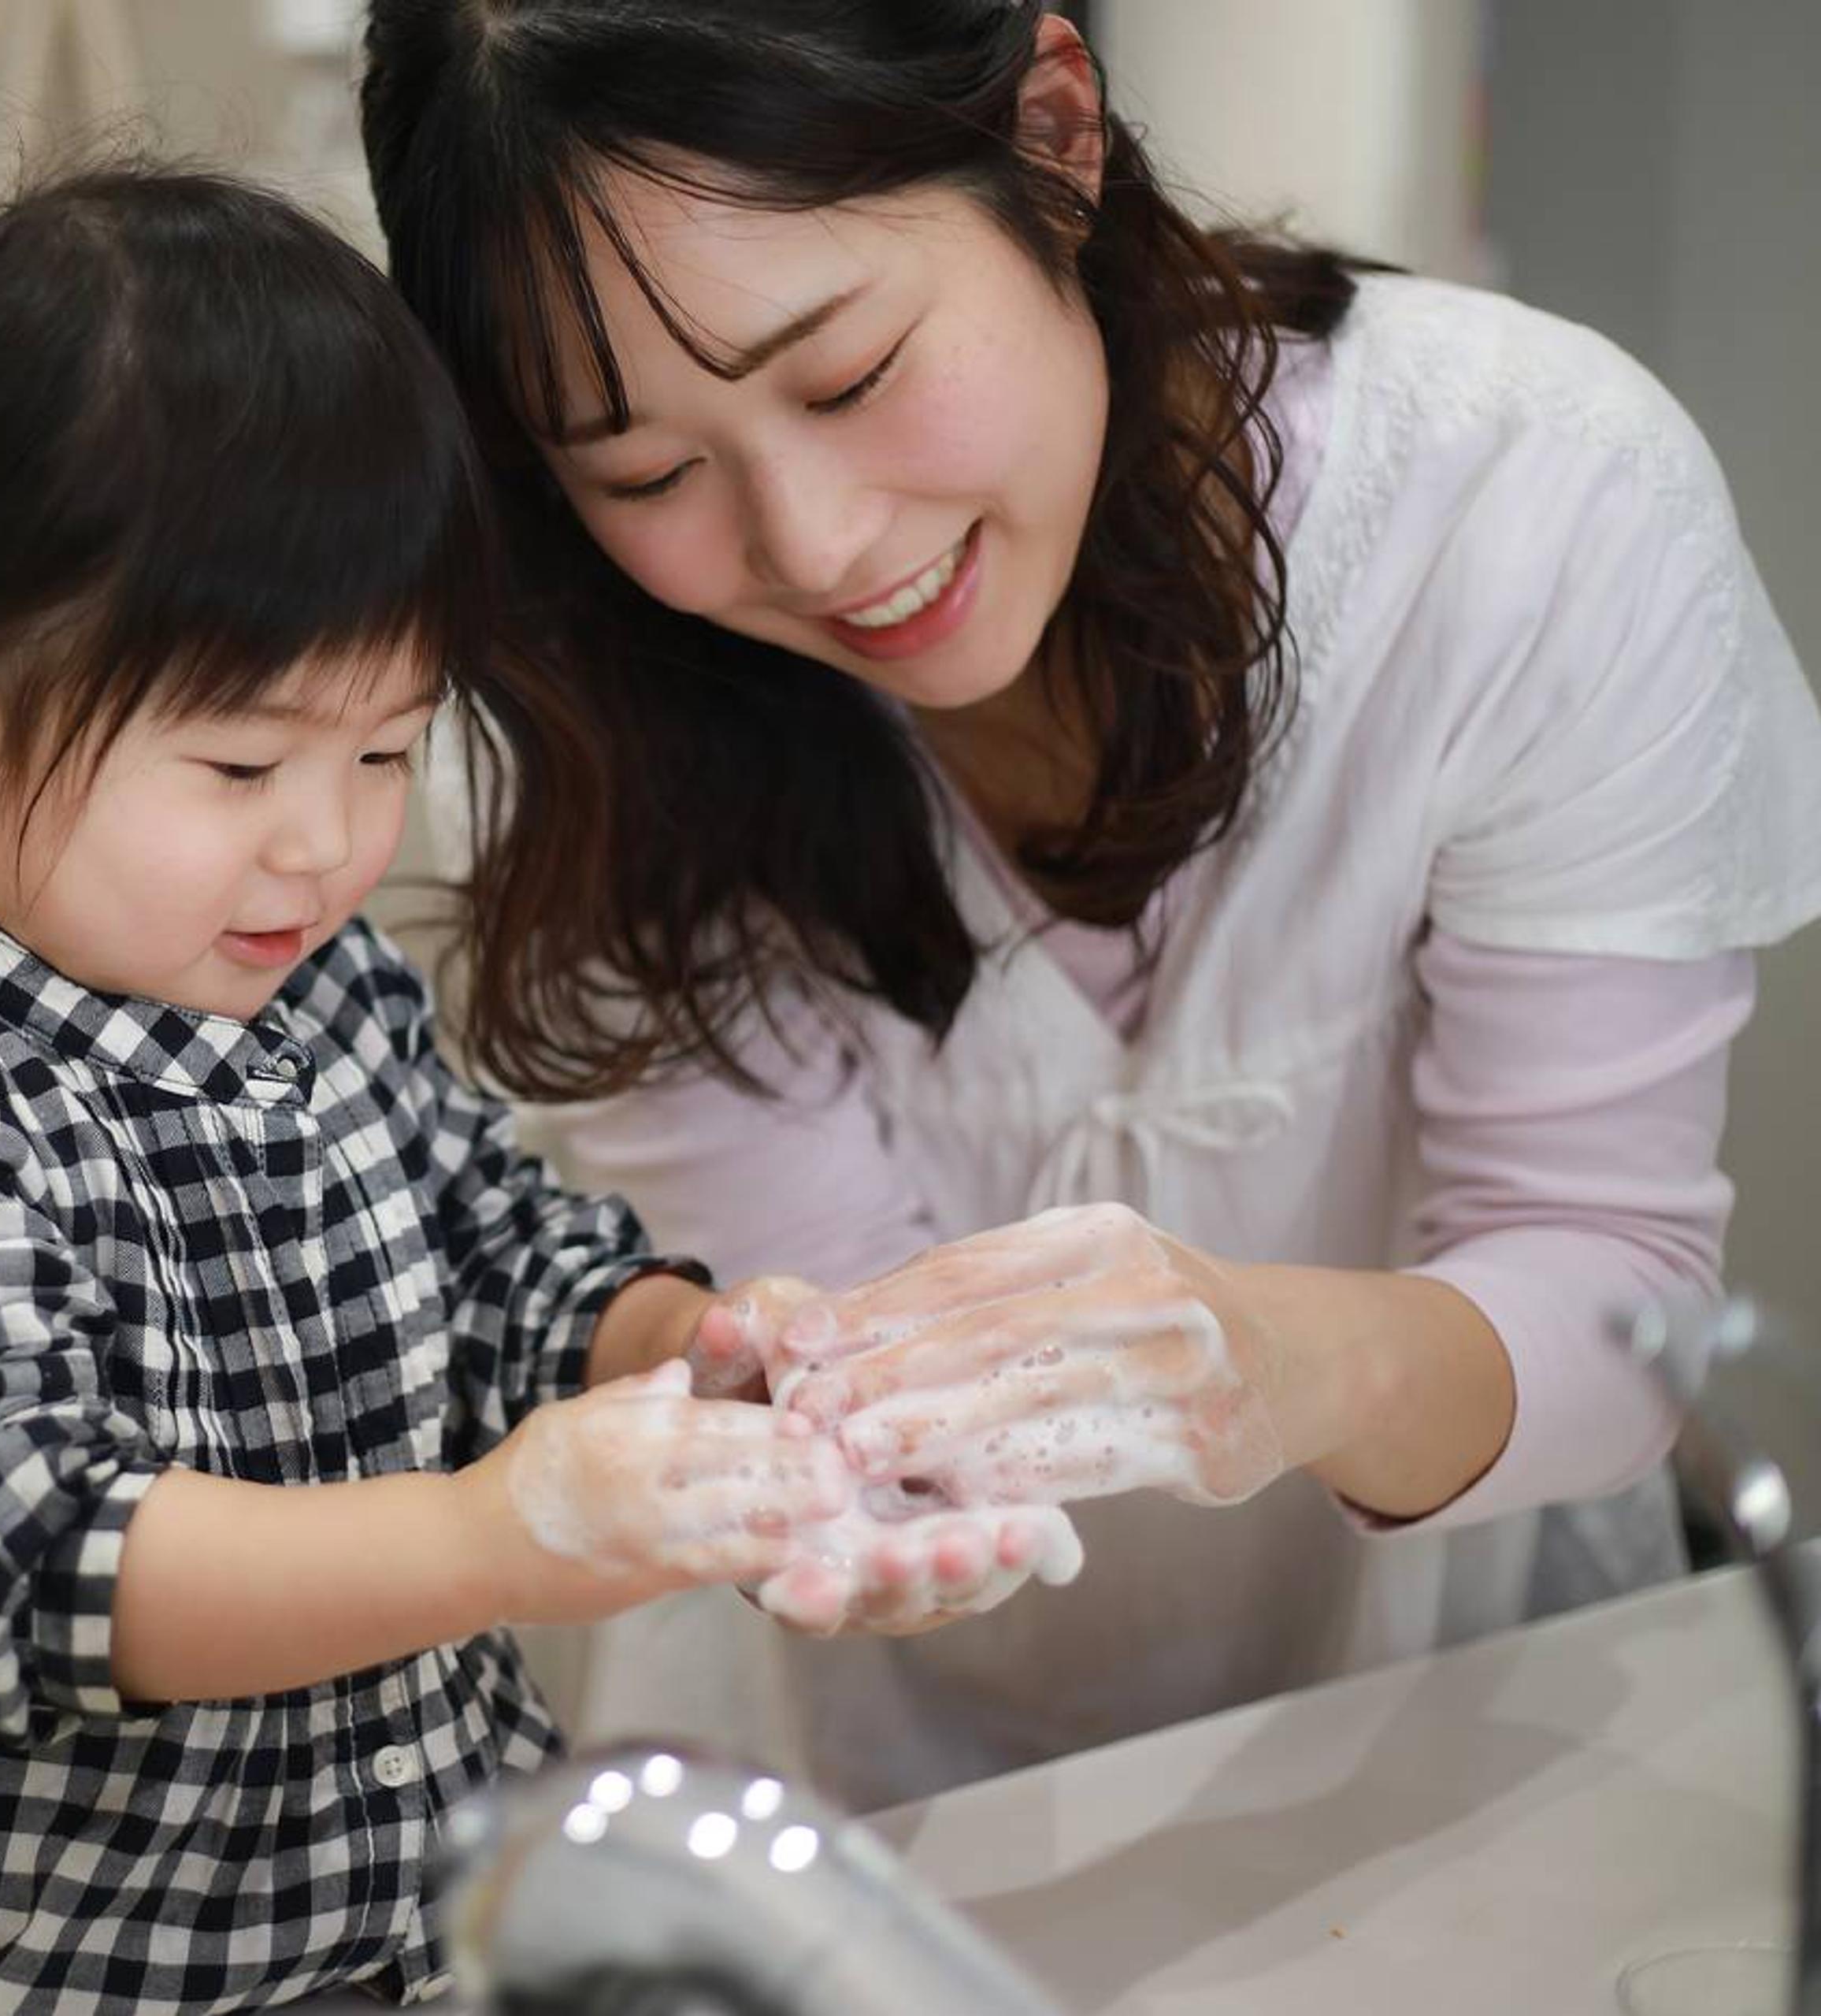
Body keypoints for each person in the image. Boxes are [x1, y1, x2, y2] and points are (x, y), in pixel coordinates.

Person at [358, 0, 1821, 1810]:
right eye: (648, 475)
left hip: (1471, 1746)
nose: (814, 544)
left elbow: (1614, 1305)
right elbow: (836, 1374)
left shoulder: (1523, 507)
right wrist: (810, 1443)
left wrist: (1272, 1363)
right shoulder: (581, 736)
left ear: (1053, 134)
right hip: (860, 1799)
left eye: (849, 374)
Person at [0, 166, 1055, 2014]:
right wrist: (496, 1533)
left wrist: (696, 1355)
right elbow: (14, 1550)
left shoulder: (318, 986)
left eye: (388, 744)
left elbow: (496, 1261)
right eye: (241, 761)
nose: (327, 843)